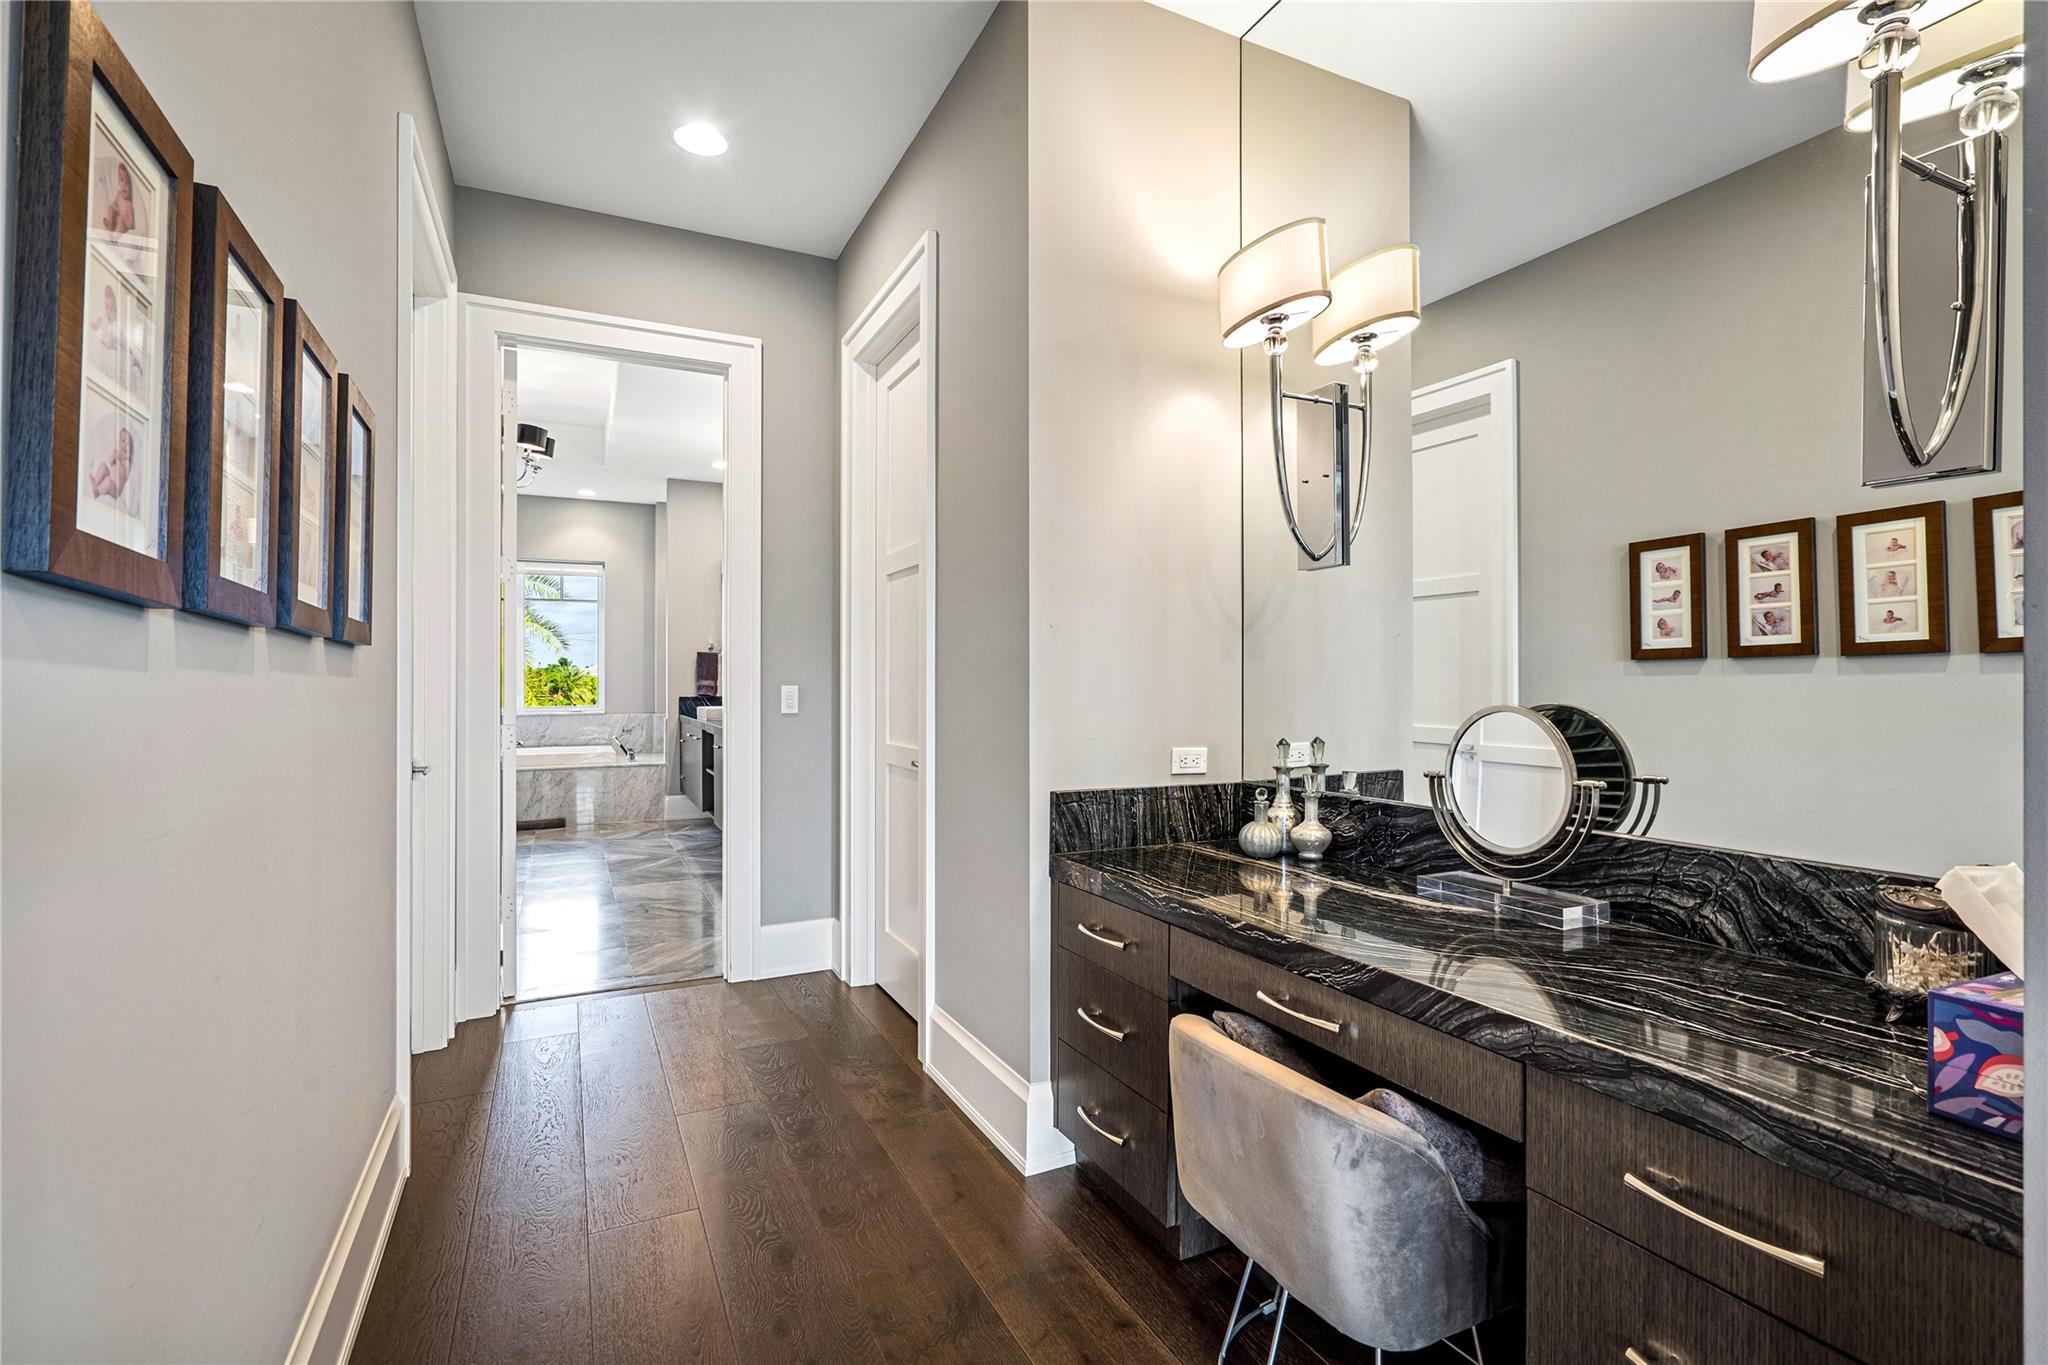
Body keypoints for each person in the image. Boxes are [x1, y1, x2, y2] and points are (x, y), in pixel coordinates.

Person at [89, 426, 133, 507]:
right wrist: (114, 456)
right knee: (103, 466)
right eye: (123, 441)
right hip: (110, 478)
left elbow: (124, 474)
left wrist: (119, 461)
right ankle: (96, 481)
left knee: (108, 481)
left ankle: (97, 491)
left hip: (115, 490)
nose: (125, 446)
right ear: (119, 443)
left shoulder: (126, 461)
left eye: (128, 444)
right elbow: (110, 462)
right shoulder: (117, 453)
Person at [87, 284, 121, 383]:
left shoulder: (117, 328)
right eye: (106, 307)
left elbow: (110, 344)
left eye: (111, 309)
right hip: (98, 367)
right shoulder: (101, 322)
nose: (108, 312)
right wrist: (95, 327)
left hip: (110, 371)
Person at [100, 161, 135, 235]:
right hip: (115, 219)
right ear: (119, 181)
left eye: (127, 183)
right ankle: (109, 226)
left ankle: (114, 236)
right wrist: (114, 207)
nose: (124, 184)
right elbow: (114, 203)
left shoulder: (129, 205)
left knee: (121, 223)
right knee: (110, 208)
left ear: (131, 188)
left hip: (122, 224)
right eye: (122, 180)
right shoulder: (118, 194)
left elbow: (132, 225)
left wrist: (125, 221)